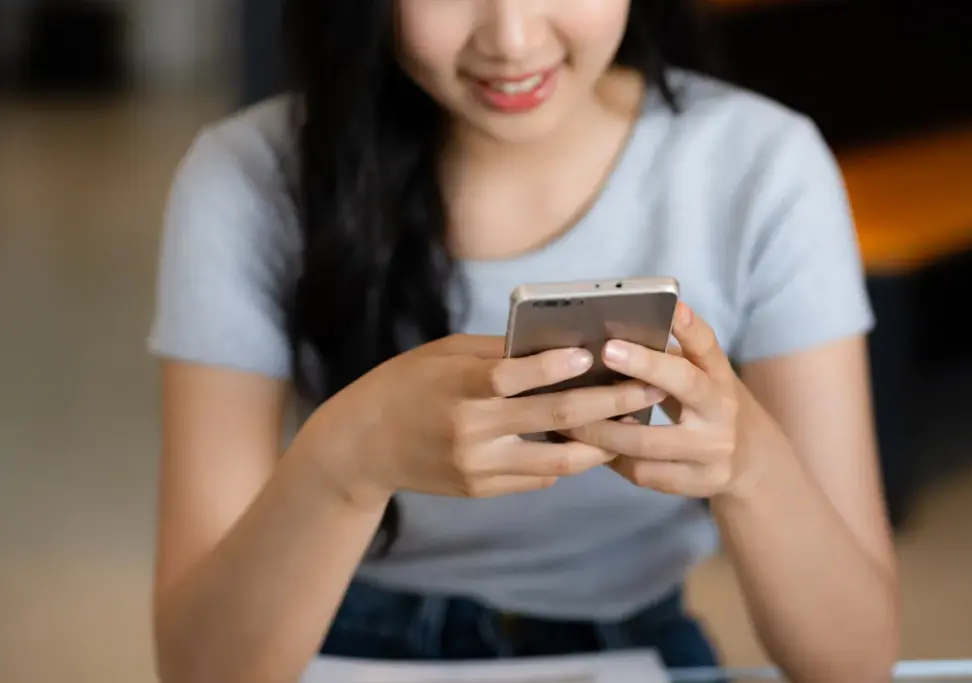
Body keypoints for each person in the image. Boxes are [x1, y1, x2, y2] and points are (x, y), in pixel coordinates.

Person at [148, 1, 900, 682]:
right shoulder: (244, 180)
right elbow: (199, 668)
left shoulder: (764, 167)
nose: (512, 39)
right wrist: (344, 459)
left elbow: (856, 660)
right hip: (331, 635)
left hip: (633, 641)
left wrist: (752, 467)